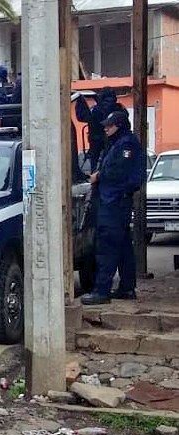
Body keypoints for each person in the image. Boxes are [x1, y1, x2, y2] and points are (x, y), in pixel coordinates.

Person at [81, 111, 145, 305]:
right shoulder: (118, 143)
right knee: (124, 246)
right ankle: (126, 288)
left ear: (119, 125)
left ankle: (102, 291)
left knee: (106, 246)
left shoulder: (126, 144)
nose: (106, 128)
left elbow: (118, 173)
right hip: (115, 201)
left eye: (110, 125)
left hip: (114, 202)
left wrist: (98, 176)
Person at [75, 88, 129, 173]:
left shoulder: (96, 109)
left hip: (97, 140)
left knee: (96, 164)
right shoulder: (119, 108)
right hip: (115, 141)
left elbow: (82, 117)